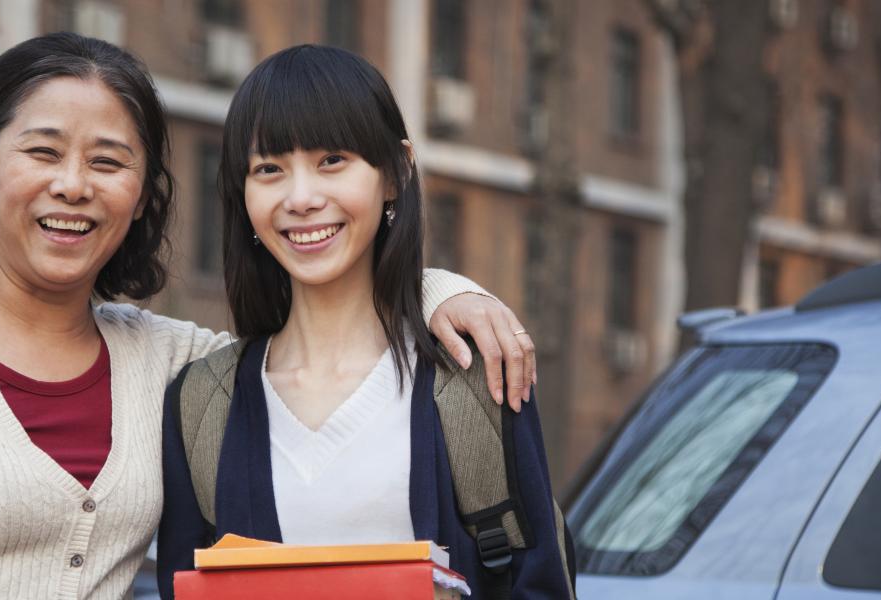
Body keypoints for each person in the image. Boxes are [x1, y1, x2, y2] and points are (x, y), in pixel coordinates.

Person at [0, 33, 535, 599]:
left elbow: (321, 330)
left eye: (109, 163)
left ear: (145, 192)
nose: (73, 185)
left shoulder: (171, 364)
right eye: (42, 152)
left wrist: (439, 291)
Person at [157, 45, 575, 599]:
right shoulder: (200, 403)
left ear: (395, 173)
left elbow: (540, 585)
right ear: (244, 196)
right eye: (269, 170)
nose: (302, 198)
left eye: (332, 160)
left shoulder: (475, 375)